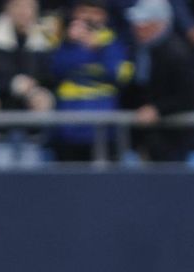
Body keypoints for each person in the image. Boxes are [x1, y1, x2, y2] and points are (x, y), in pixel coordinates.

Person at [123, 0, 194, 162]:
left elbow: (191, 97)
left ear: (158, 24)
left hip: (172, 140)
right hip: (146, 138)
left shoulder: (178, 54)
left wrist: (158, 110)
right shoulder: (139, 51)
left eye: (143, 22)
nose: (136, 27)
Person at [50, 0, 132, 162]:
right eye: (84, 11)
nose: (89, 17)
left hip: (104, 129)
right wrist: (74, 44)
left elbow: (119, 74)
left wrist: (101, 48)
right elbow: (56, 69)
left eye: (95, 12)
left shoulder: (114, 43)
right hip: (68, 129)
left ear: (104, 16)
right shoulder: (63, 42)